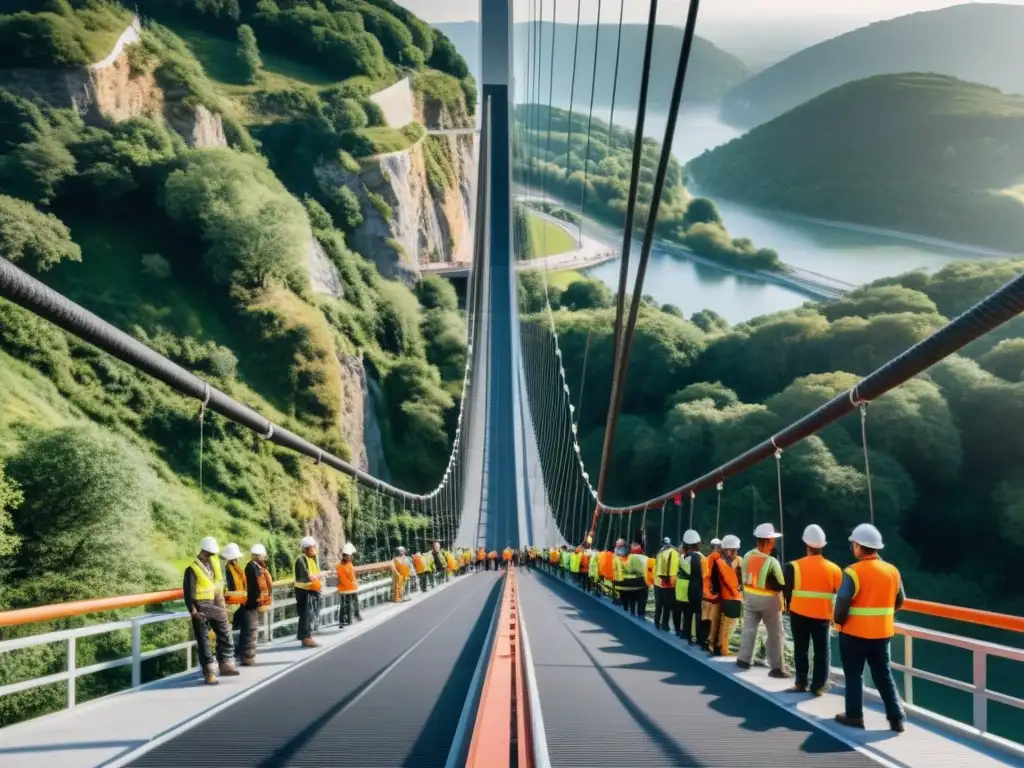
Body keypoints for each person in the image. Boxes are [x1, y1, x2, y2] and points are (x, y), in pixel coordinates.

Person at [834, 523, 906, 733]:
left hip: (853, 634)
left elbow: (843, 601)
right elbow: (900, 601)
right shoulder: (892, 571)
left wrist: (838, 621)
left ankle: (854, 715)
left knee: (854, 675)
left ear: (857, 546)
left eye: (853, 545)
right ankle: (897, 718)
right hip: (882, 634)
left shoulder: (853, 572)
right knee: (883, 675)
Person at [784, 524, 842, 696]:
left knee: (800, 648)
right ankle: (818, 686)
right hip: (822, 615)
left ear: (806, 545)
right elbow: (842, 595)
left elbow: (786, 591)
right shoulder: (834, 569)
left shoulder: (793, 566)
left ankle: (800, 682)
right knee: (822, 651)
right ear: (822, 546)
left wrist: (788, 607)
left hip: (798, 613)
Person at [183, 537, 237, 685]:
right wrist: (193, 611)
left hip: (213, 604)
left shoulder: (212, 565)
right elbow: (189, 593)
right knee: (204, 641)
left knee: (224, 632)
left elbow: (216, 586)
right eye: (210, 553)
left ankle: (226, 664)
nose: (211, 556)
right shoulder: (192, 569)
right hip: (200, 607)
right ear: (204, 551)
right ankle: (209, 673)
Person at [737, 523, 788, 677]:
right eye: (772, 540)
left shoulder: (746, 556)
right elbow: (781, 583)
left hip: (749, 598)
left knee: (749, 629)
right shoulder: (771, 561)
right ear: (767, 541)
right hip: (769, 601)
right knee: (775, 634)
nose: (774, 543)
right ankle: (777, 667)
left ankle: (743, 659)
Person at [237, 543, 273, 665]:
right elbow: (255, 587)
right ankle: (247, 658)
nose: (265, 557)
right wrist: (256, 601)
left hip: (253, 604)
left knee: (250, 631)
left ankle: (245, 656)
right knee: (250, 631)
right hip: (251, 604)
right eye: (263, 555)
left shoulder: (255, 566)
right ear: (259, 556)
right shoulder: (253, 567)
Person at [710, 535, 743, 656]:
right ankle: (723, 648)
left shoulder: (727, 561)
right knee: (728, 624)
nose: (734, 553)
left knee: (727, 623)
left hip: (727, 597)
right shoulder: (724, 563)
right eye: (733, 550)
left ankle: (719, 645)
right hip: (730, 597)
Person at [674, 529, 704, 644]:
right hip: (691, 590)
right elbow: (700, 575)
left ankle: (683, 632)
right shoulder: (699, 557)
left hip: (680, 590)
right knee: (691, 613)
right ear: (697, 544)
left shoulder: (682, 557)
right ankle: (692, 636)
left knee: (684, 613)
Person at [294, 536, 322, 648]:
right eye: (313, 546)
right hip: (304, 591)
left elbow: (315, 574)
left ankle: (306, 636)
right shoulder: (301, 559)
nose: (315, 548)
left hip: (312, 590)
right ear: (307, 548)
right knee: (306, 614)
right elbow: (307, 576)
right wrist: (318, 576)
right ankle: (306, 638)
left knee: (310, 615)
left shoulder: (313, 559)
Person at [653, 537, 679, 632]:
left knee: (659, 605)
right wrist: (673, 582)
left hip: (658, 582)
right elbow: (674, 568)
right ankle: (665, 624)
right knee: (667, 606)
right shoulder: (673, 552)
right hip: (668, 584)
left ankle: (656, 622)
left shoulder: (659, 553)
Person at [337, 542, 362, 627]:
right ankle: (341, 621)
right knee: (344, 604)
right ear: (345, 556)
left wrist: (354, 584)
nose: (351, 557)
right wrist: (352, 585)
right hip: (345, 588)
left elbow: (352, 576)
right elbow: (344, 579)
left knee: (355, 601)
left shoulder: (349, 564)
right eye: (350, 556)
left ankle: (357, 615)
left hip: (351, 587)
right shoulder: (341, 566)